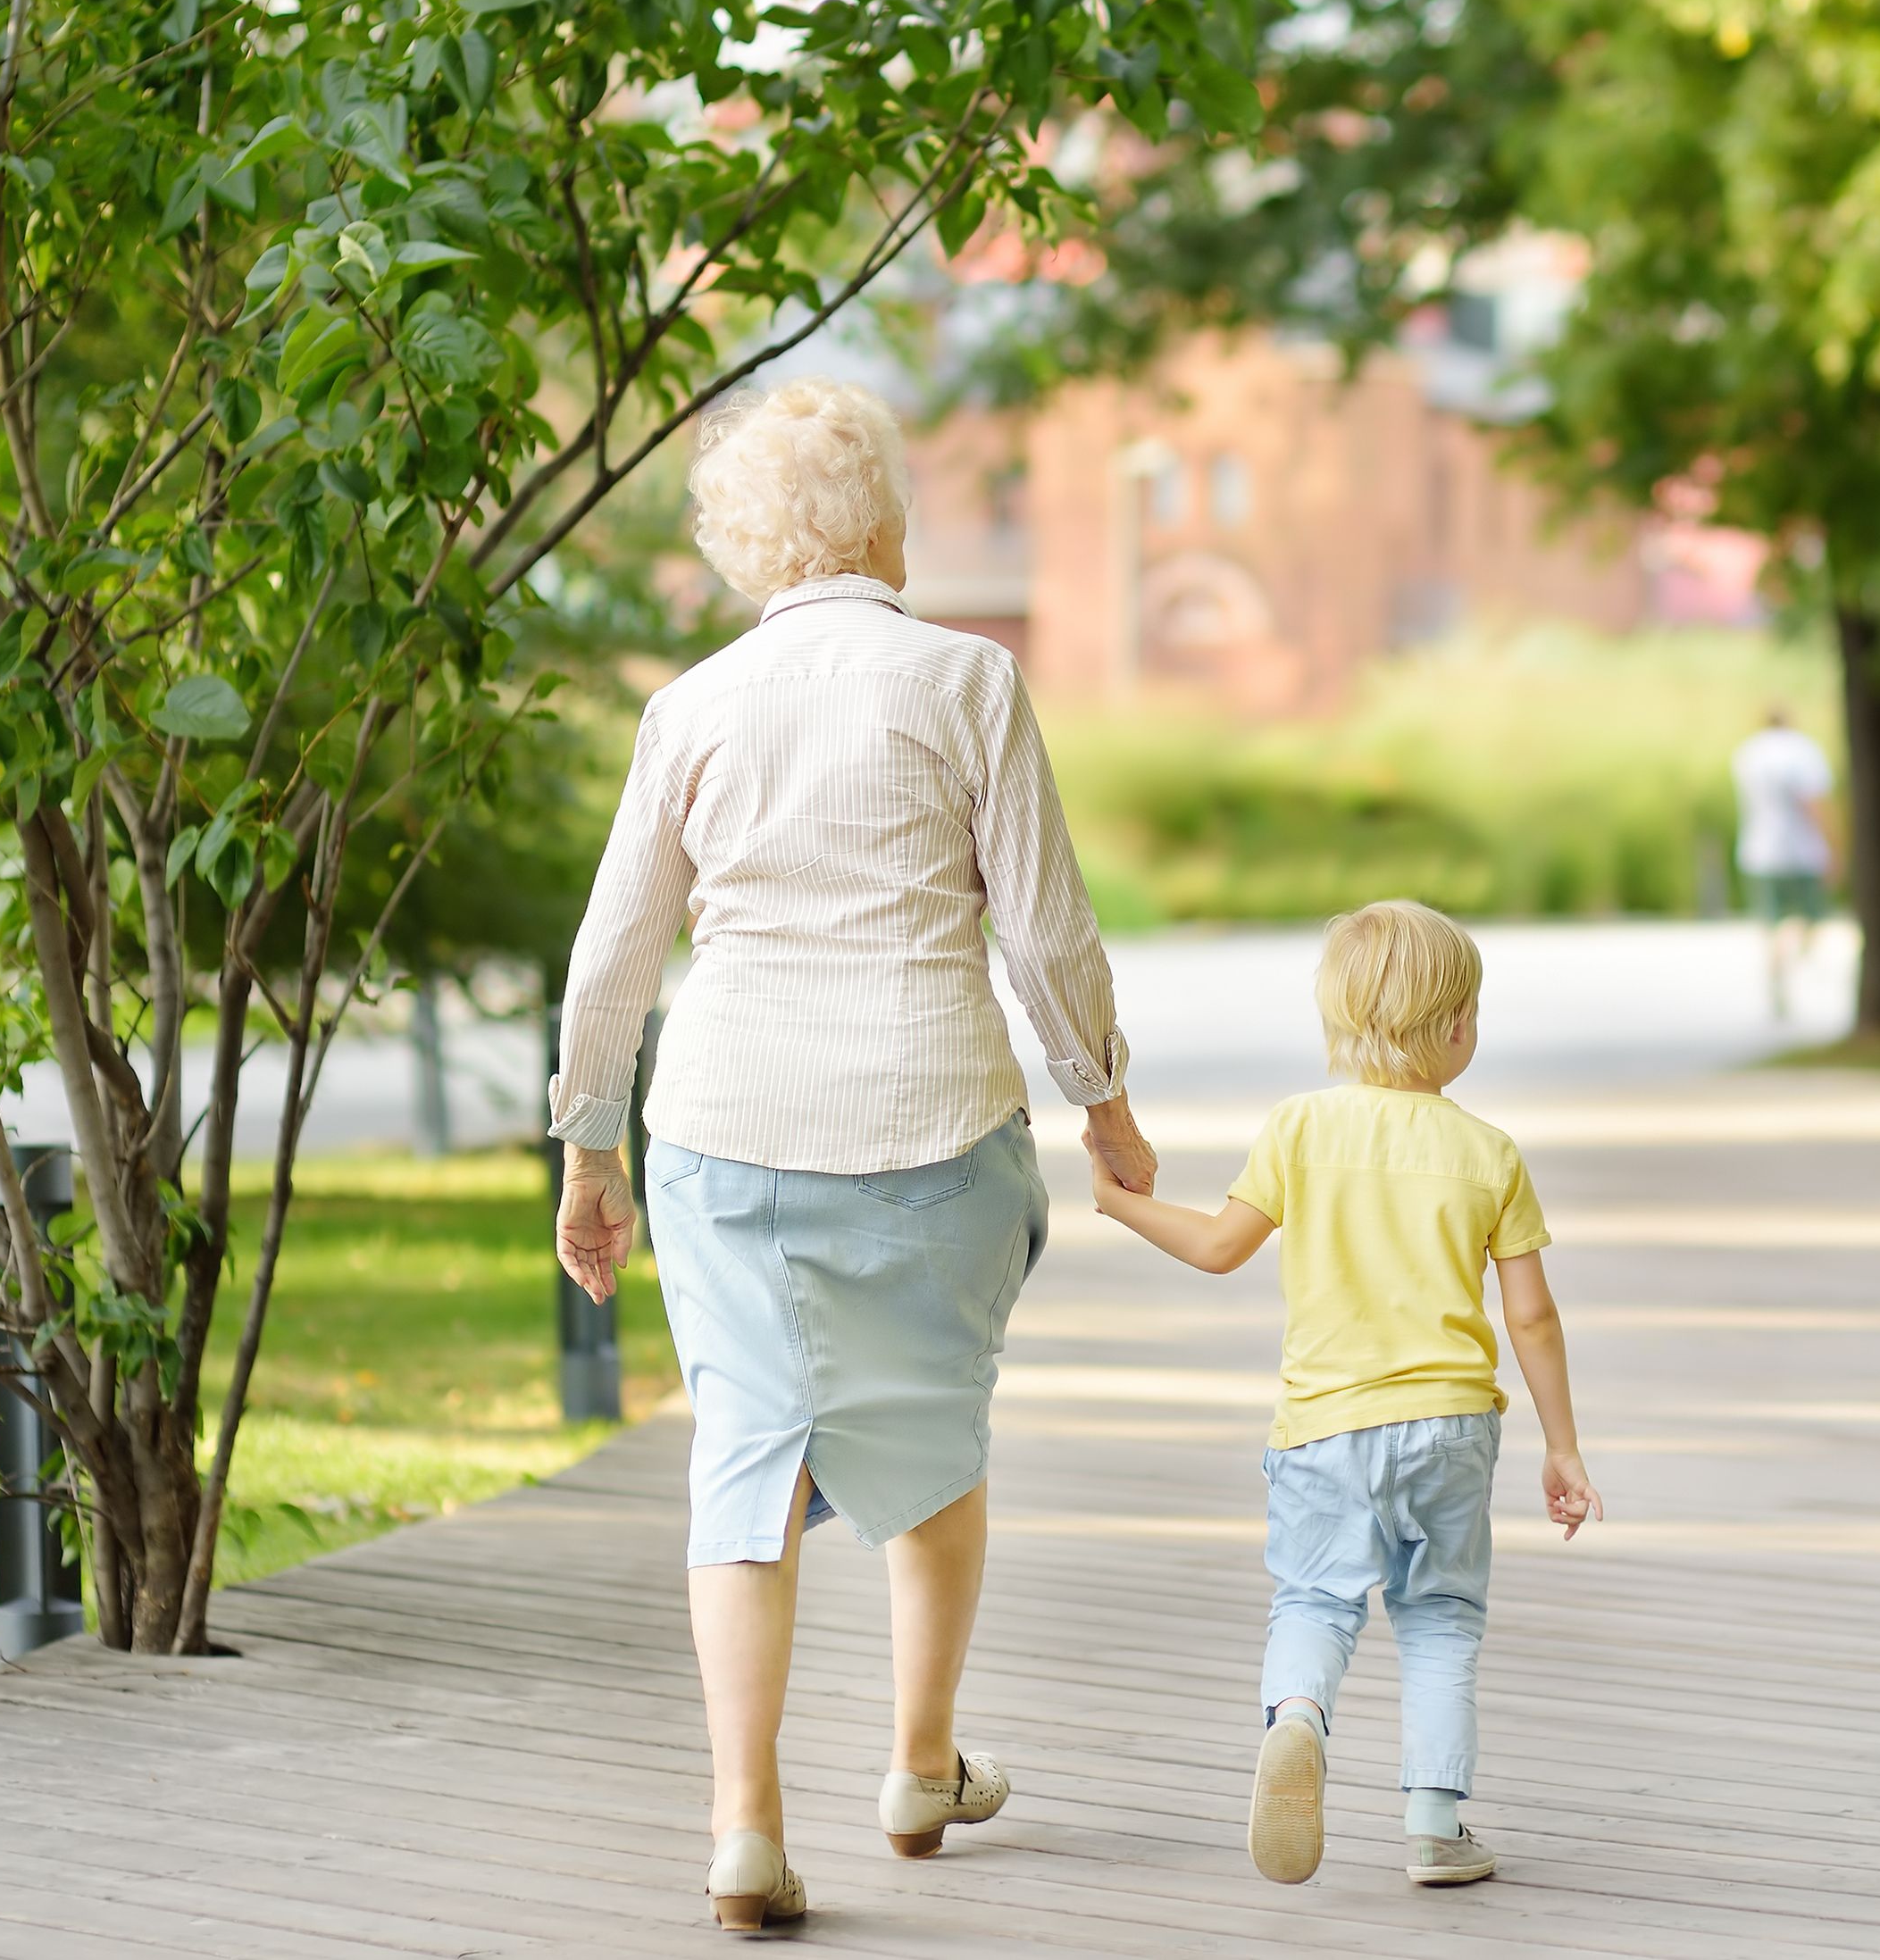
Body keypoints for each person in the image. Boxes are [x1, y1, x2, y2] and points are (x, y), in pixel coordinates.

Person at [546, 377, 1157, 1931]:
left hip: (722, 1135)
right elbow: (1045, 928)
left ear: (750, 550)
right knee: (935, 1436)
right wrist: (1104, 1101)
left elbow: (614, 950)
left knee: (744, 1456)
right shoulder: (968, 680)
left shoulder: (690, 706)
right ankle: (917, 1759)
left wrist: (587, 1147)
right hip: (927, 1125)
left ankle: (745, 1824)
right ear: (888, 518)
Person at [1084, 901, 1600, 1890]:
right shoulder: (1489, 1154)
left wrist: (1120, 1201)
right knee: (1441, 1618)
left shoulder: (1299, 1127)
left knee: (1314, 1600)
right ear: (1453, 1027)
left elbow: (1217, 1248)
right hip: (1451, 1426)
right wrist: (1562, 1446)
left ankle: (1296, 1720)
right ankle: (1434, 1826)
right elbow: (1532, 1318)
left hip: (1324, 1428)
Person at [1733, 709, 1836, 1018]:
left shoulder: (1749, 753)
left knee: (1771, 922)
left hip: (1759, 851)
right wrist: (1834, 845)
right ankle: (1792, 961)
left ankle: (1777, 973)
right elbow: (1814, 802)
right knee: (1810, 917)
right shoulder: (1803, 751)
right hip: (1801, 851)